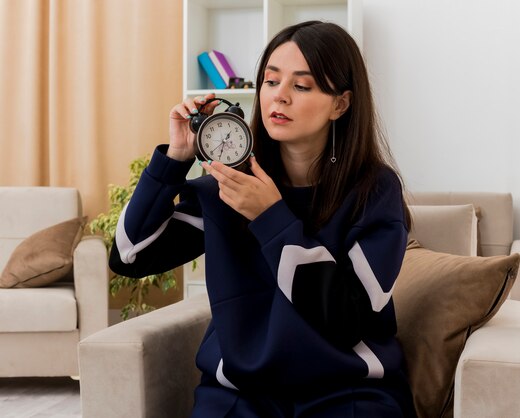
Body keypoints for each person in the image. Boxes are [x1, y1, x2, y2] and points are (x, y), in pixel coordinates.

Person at [109, 20, 416, 417]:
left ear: (340, 104)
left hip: (346, 391)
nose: (279, 97)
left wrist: (271, 216)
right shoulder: (227, 188)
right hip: (242, 393)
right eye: (271, 82)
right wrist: (175, 158)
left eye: (301, 86)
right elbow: (130, 257)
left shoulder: (373, 193)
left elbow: (347, 321)